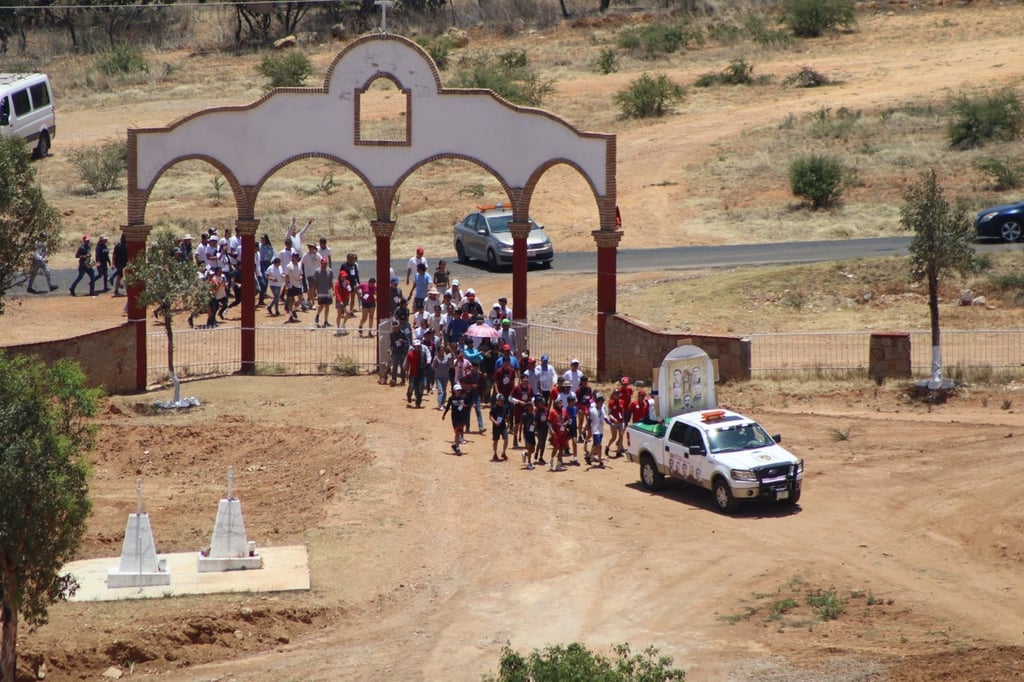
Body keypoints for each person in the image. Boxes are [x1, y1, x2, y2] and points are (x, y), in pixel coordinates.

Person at [441, 383, 470, 455]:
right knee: (457, 432)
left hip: (462, 417)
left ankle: (455, 445)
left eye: (459, 390)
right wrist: (444, 415)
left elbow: (468, 405)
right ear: (454, 391)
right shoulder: (451, 398)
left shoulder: (464, 397)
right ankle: (457, 448)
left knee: (459, 432)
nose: (459, 391)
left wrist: (465, 405)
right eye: (457, 390)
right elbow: (447, 407)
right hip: (455, 417)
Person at [405, 338, 431, 408]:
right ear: (414, 346)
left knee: (420, 389)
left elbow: (426, 363)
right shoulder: (410, 354)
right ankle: (409, 394)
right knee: (411, 387)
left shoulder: (422, 354)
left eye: (418, 346)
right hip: (413, 374)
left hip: (421, 374)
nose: (417, 347)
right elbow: (408, 364)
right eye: (416, 346)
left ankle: (418, 402)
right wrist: (407, 373)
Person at [586, 392, 608, 468]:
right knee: (598, 445)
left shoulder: (602, 410)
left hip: (601, 430)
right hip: (595, 430)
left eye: (602, 401)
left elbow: (605, 418)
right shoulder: (592, 410)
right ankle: (600, 462)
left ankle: (589, 456)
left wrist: (611, 423)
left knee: (598, 446)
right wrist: (589, 428)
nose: (601, 403)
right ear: (597, 402)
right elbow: (589, 419)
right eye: (600, 401)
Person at [312, 257, 334, 328]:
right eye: (323, 263)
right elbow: (315, 282)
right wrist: (314, 291)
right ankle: (318, 314)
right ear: (321, 263)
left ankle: (326, 321)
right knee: (321, 306)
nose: (324, 264)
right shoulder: (317, 271)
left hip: (327, 291)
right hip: (320, 291)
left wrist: (333, 290)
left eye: (326, 263)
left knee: (327, 306)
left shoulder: (330, 271)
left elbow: (331, 282)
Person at [284, 252, 304, 323]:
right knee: (291, 300)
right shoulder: (289, 266)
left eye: (297, 257)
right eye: (295, 257)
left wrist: (301, 277)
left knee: (300, 299)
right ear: (292, 257)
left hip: (298, 284)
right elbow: (286, 276)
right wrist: (286, 286)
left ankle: (294, 310)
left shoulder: (299, 265)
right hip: (291, 284)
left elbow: (301, 274)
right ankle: (290, 316)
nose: (296, 258)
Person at [489, 393, 510, 462]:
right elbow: (490, 416)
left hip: (503, 426)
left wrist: (508, 423)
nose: (502, 402)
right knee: (496, 440)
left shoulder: (505, 407)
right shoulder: (494, 408)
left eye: (502, 401)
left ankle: (504, 452)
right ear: (497, 401)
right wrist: (495, 422)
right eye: (500, 401)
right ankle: (495, 454)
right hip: (496, 427)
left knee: (506, 439)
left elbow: (507, 416)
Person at [257, 234, 275, 306]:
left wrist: (272, 260)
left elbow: (273, 254)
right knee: (264, 279)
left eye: (263, 239)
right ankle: (261, 295)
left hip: (268, 263)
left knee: (266, 280)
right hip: (262, 263)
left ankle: (262, 297)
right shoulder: (260, 246)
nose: (262, 240)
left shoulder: (269, 247)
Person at [333, 269, 351, 336]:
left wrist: (349, 291)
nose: (344, 278)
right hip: (339, 301)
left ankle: (343, 324)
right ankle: (338, 328)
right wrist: (340, 301)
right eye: (343, 276)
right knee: (339, 314)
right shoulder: (337, 284)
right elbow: (337, 293)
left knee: (348, 313)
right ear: (340, 277)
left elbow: (349, 290)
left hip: (346, 300)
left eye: (345, 276)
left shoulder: (348, 282)